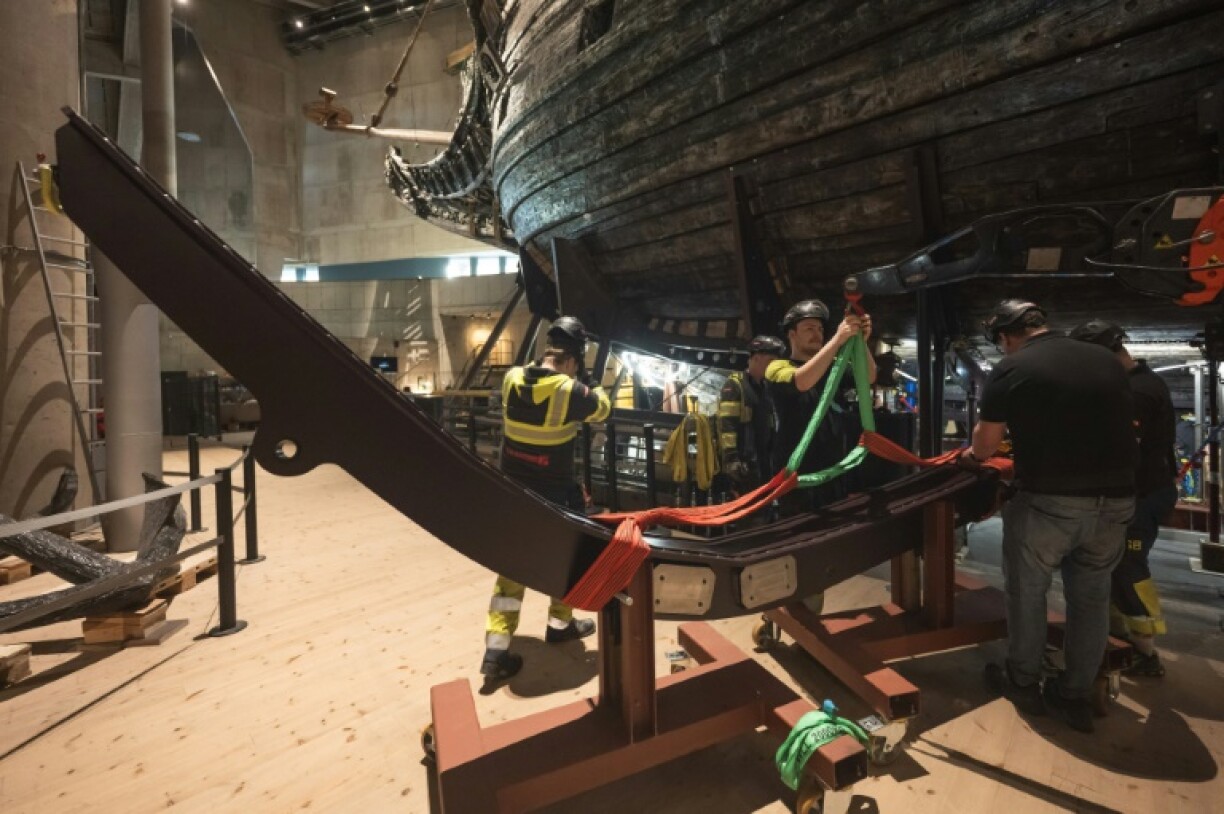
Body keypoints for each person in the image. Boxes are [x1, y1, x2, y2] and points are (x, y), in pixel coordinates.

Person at [964, 300, 1136, 733]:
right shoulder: (1106, 359)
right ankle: (1074, 694)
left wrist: (969, 454)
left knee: (1028, 590)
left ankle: (1023, 680)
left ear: (1005, 337)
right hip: (1116, 501)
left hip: (1051, 501)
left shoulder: (1012, 369)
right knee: (1092, 597)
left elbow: (985, 447)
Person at [480, 316, 612, 682]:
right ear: (572, 360)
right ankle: (560, 626)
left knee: (511, 574)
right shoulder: (569, 391)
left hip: (514, 495)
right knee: (565, 564)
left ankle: (496, 652)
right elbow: (603, 408)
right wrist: (591, 385)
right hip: (555, 496)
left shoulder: (511, 378)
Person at [1070, 319, 1177, 678]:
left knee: (1129, 567)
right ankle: (1119, 639)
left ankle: (1146, 652)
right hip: (1140, 491)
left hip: (1144, 495)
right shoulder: (1132, 385)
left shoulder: (1139, 392)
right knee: (1114, 567)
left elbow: (1118, 447)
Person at [766, 299, 876, 514]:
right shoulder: (777, 367)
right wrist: (837, 340)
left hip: (832, 471)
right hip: (796, 475)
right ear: (792, 334)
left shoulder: (833, 367)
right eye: (808, 328)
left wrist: (861, 341)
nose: (817, 333)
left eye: (819, 328)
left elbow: (868, 377)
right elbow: (802, 382)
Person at [717, 335, 785, 491]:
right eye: (770, 362)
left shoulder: (766, 387)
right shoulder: (735, 385)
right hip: (745, 462)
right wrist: (731, 459)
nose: (773, 367)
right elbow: (727, 426)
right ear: (755, 358)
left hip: (764, 459)